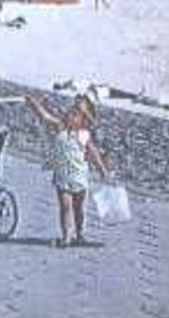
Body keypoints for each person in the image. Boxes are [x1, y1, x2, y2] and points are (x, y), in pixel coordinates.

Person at [26, 92, 110, 248]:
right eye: (70, 113)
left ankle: (79, 233)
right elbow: (45, 117)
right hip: (63, 177)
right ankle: (66, 237)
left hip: (79, 178)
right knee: (65, 207)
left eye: (76, 115)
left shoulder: (84, 135)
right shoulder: (60, 129)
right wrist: (34, 104)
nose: (70, 116)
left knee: (79, 210)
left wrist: (103, 171)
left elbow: (94, 155)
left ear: (83, 121)